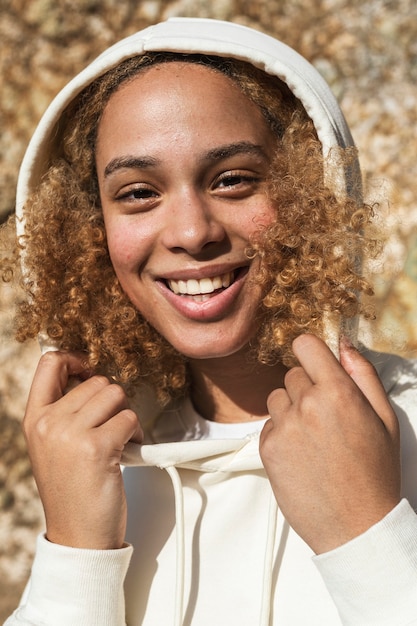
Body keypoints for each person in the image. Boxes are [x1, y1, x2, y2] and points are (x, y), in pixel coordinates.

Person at [2, 17, 417, 626]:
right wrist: (75, 556)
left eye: (233, 180)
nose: (193, 232)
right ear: (91, 231)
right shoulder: (104, 469)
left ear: (314, 184)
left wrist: (367, 533)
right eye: (139, 193)